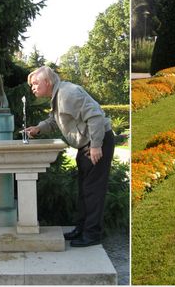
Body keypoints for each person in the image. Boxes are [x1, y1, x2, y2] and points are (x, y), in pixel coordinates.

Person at [24, 66, 114, 247]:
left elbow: (95, 115)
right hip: (88, 145)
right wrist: (39, 128)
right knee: (84, 190)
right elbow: (54, 120)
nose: (32, 88)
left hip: (97, 144)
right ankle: (81, 229)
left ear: (47, 82)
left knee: (93, 192)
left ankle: (92, 235)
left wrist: (96, 146)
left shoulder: (68, 93)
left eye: (35, 84)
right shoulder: (58, 96)